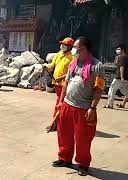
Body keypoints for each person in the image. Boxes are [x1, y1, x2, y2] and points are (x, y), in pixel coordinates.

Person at [52, 37, 105, 176]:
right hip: (67, 105)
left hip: (84, 108)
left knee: (83, 138)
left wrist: (92, 108)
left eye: (76, 47)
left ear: (85, 48)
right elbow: (66, 83)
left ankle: (82, 163)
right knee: (64, 134)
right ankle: (64, 158)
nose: (73, 50)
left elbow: (98, 89)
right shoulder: (73, 63)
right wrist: (60, 101)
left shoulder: (97, 66)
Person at [46, 37, 74, 131]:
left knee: (60, 103)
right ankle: (56, 122)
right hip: (56, 83)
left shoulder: (72, 58)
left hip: (64, 84)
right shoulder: (58, 54)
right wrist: (47, 68)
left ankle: (56, 123)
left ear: (69, 47)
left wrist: (61, 78)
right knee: (59, 103)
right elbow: (52, 66)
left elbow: (71, 73)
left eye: (65, 45)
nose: (62, 46)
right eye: (62, 44)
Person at [104, 44, 128, 109]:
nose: (117, 50)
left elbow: (122, 67)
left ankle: (110, 105)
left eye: (118, 49)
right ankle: (110, 104)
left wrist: (122, 77)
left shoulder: (122, 57)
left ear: (122, 50)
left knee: (111, 90)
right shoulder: (124, 56)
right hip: (123, 78)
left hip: (119, 78)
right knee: (124, 91)